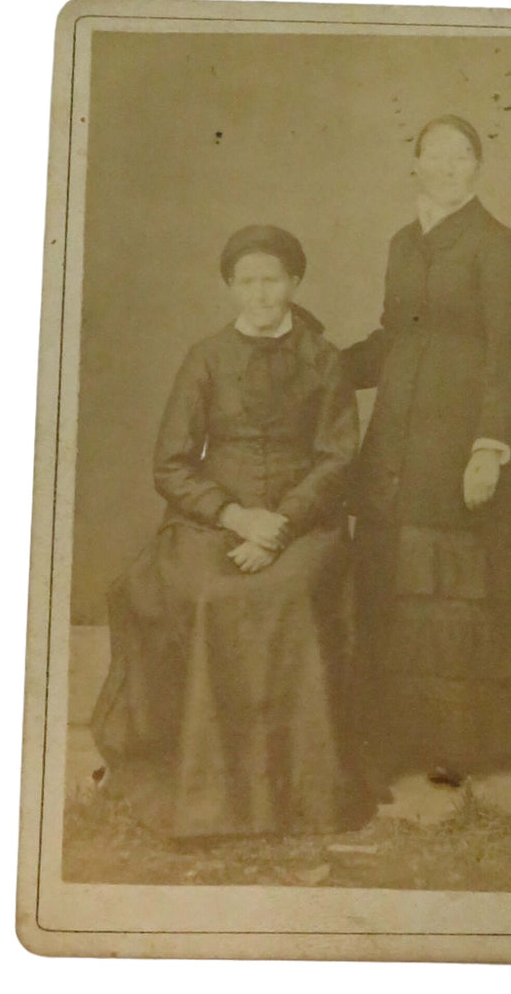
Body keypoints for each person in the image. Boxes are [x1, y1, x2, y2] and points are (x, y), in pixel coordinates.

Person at [91, 225, 376, 838]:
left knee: (289, 595)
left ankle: (298, 794)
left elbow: (337, 456)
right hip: (213, 520)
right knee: (211, 596)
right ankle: (206, 791)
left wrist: (282, 524)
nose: (261, 293)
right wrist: (235, 516)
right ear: (230, 287)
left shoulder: (322, 359)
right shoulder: (206, 356)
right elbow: (170, 461)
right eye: (247, 281)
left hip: (306, 522)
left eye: (272, 279)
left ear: (294, 282)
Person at [343, 115, 511, 787]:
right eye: (435, 154)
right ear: (414, 162)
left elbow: (509, 355)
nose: (448, 166)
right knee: (390, 581)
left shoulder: (499, 246)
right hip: (397, 435)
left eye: (462, 155)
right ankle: (391, 738)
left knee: (451, 592)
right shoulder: (403, 243)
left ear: (478, 167)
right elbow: (390, 336)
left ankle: (454, 744)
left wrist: (488, 449)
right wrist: (322, 365)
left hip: (459, 433)